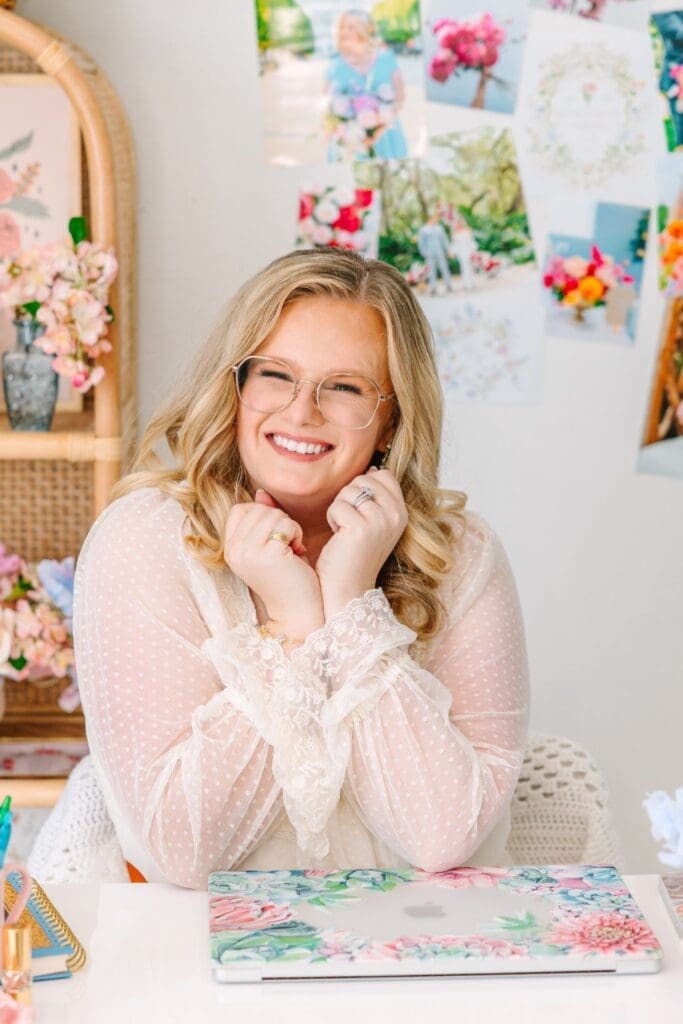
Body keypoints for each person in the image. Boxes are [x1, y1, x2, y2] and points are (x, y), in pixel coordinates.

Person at [28, 249, 529, 889]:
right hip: (191, 961)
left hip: (413, 961)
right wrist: (293, 628)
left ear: (391, 420)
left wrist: (349, 607)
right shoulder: (145, 540)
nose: (300, 411)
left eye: (345, 387)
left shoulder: (460, 555)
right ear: (235, 387)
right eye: (275, 375)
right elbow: (183, 851)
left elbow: (445, 837)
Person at [325, 10, 408, 161]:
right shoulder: (334, 66)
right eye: (342, 27)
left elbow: (400, 97)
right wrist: (340, 130)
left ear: (366, 29)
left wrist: (379, 126)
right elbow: (327, 108)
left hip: (386, 139)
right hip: (348, 144)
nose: (344, 32)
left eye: (351, 27)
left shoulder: (386, 59)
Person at [417, 213, 452, 295]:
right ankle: (433, 287)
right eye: (434, 218)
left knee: (444, 268)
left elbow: (444, 240)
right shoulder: (423, 230)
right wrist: (424, 252)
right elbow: (421, 243)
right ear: (429, 219)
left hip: (440, 252)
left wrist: (447, 250)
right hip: (429, 253)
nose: (435, 220)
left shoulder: (439, 228)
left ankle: (448, 285)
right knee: (431, 270)